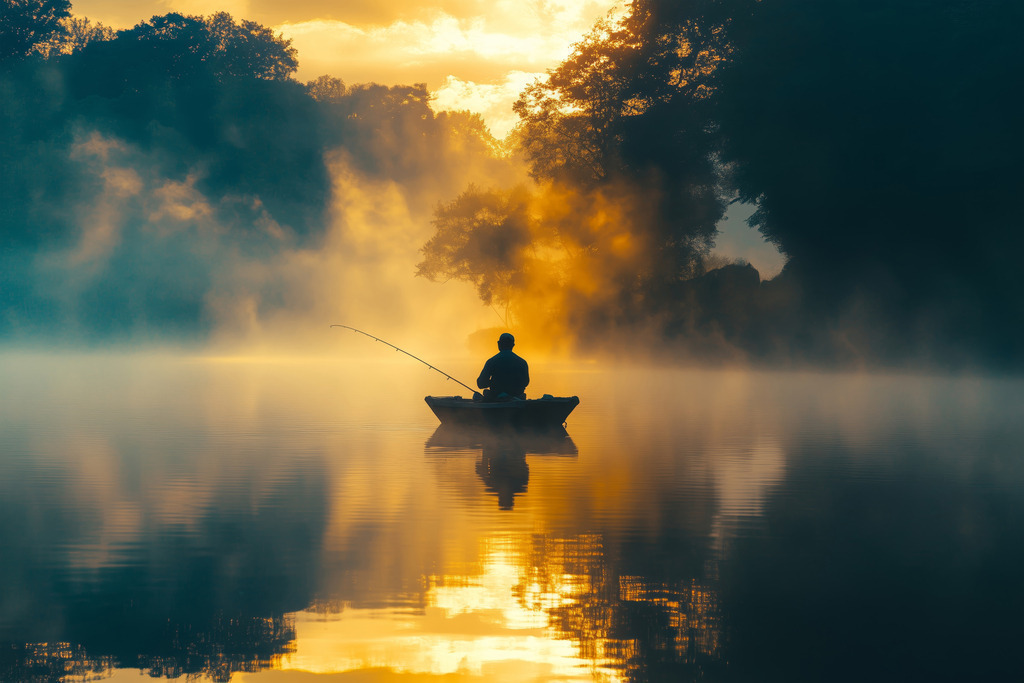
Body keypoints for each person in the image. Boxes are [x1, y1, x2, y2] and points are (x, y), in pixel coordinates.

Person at [476, 333, 529, 401]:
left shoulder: (491, 361)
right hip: (517, 397)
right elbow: (525, 382)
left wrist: (494, 383)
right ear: (513, 345)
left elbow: (481, 383)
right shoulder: (522, 362)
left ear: (499, 343)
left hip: (496, 397)